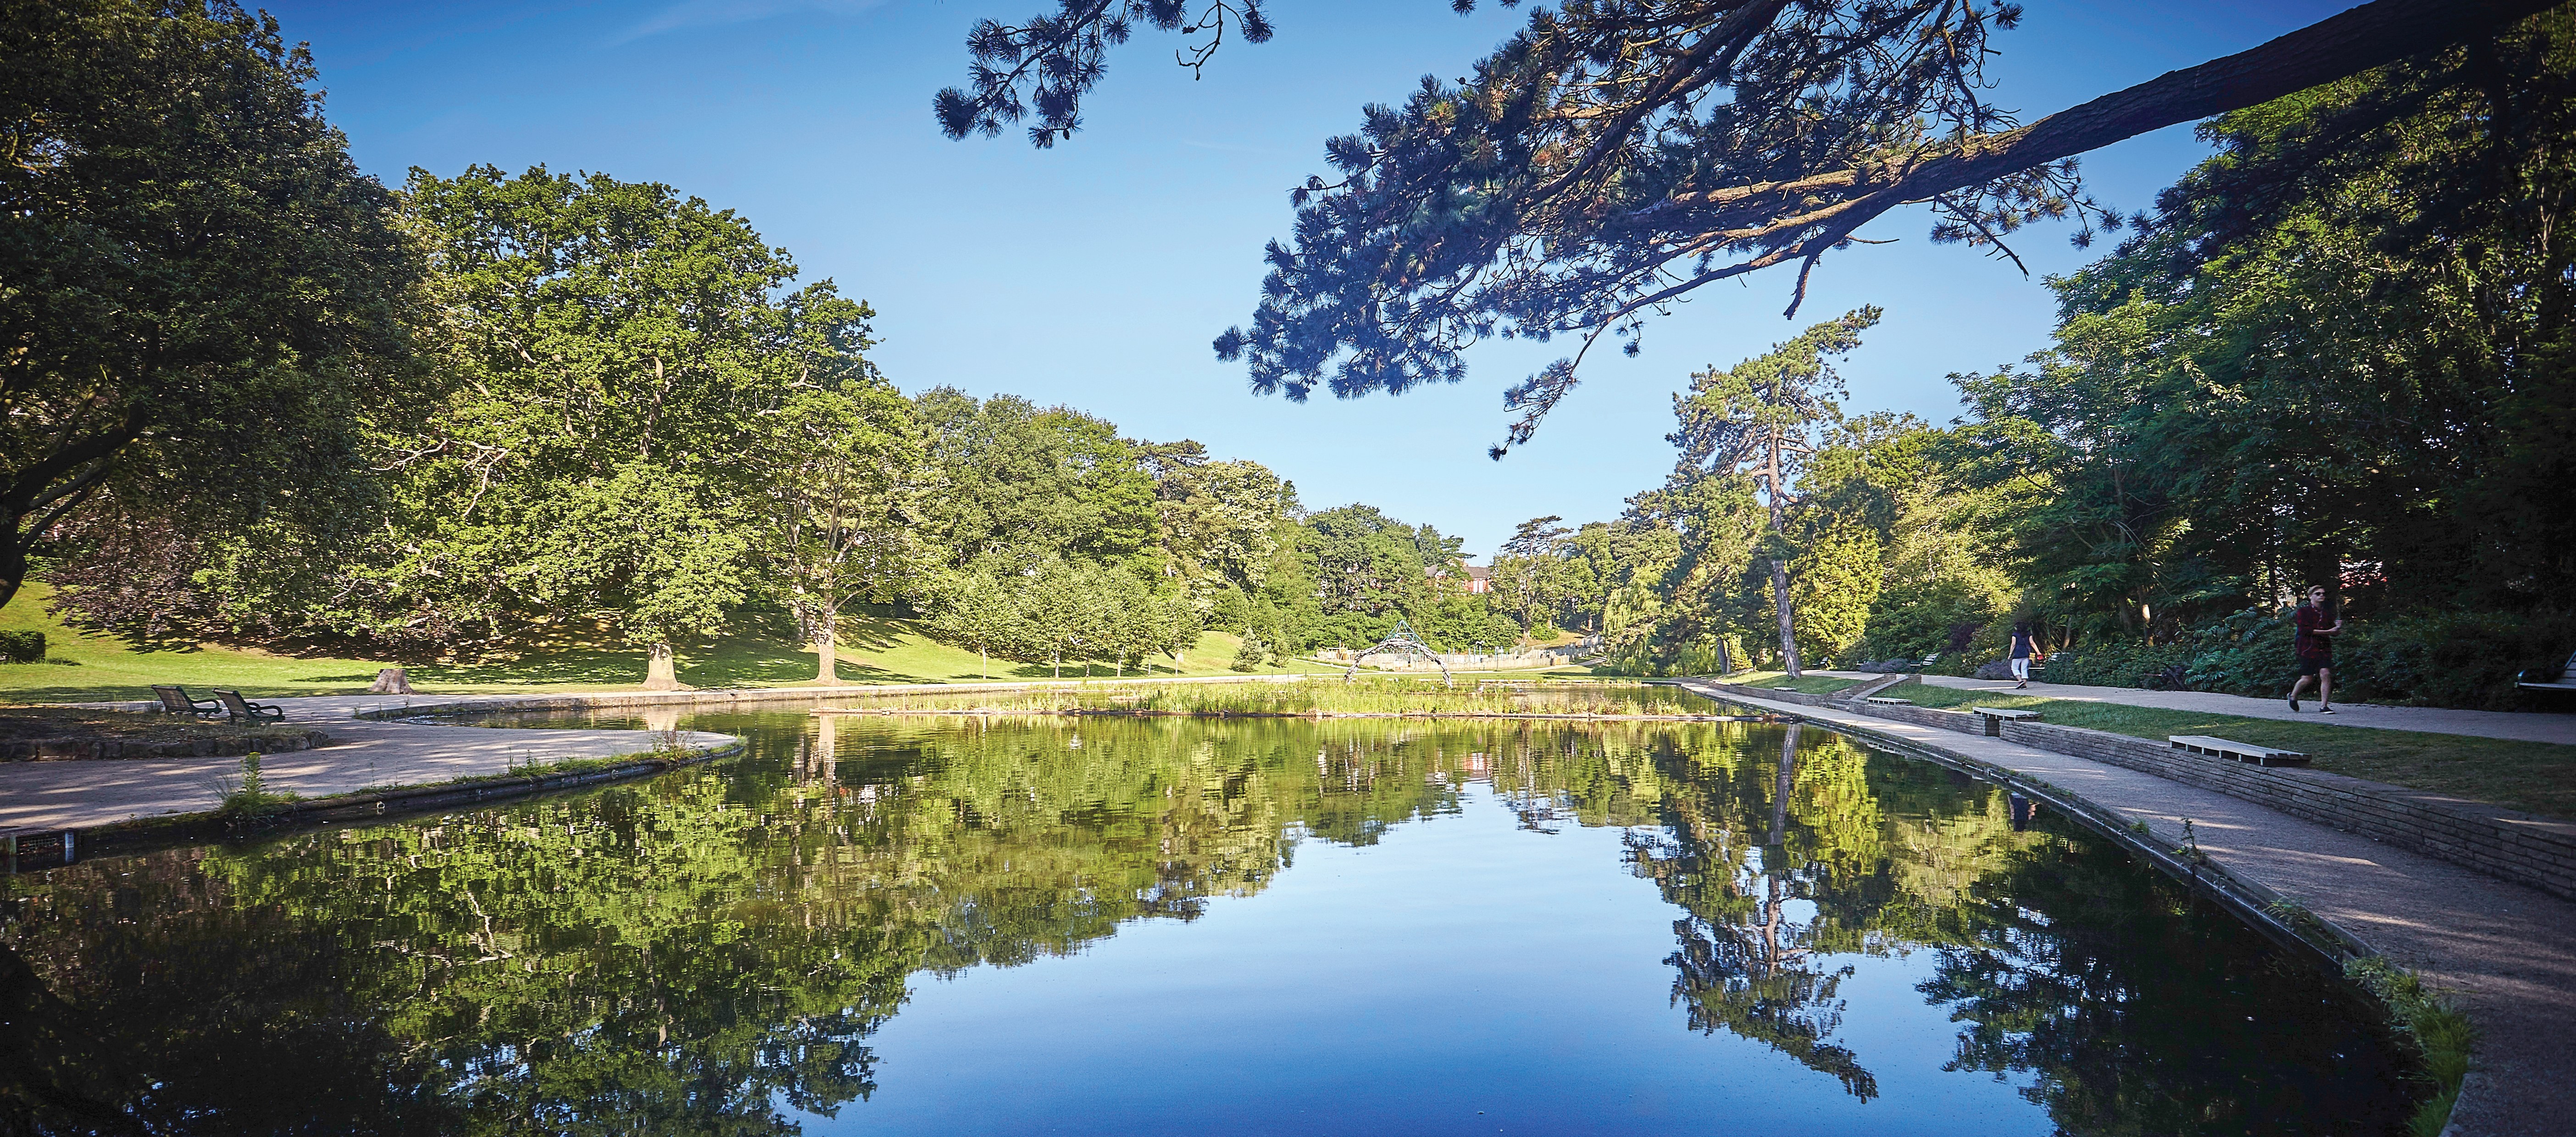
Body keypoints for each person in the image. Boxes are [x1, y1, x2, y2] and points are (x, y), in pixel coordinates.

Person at [2287, 585, 2344, 714]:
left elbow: (2332, 632)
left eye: (2323, 593)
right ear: (2310, 597)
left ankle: (2324, 706)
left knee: (2326, 674)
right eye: (2318, 594)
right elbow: (2304, 631)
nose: (2321, 596)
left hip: (2323, 648)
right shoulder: (2303, 612)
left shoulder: (2327, 613)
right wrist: (2328, 631)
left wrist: (2337, 629)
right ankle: (2293, 696)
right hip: (2307, 648)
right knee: (2307, 678)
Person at [2007, 622, 2039, 689]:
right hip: (2026, 652)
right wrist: (2038, 652)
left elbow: (2013, 644)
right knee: (2024, 669)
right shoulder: (2029, 634)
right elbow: (2032, 643)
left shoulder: (2015, 634)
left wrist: (2010, 654)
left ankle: (2020, 680)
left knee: (2014, 668)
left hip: (2018, 652)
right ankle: (2024, 684)